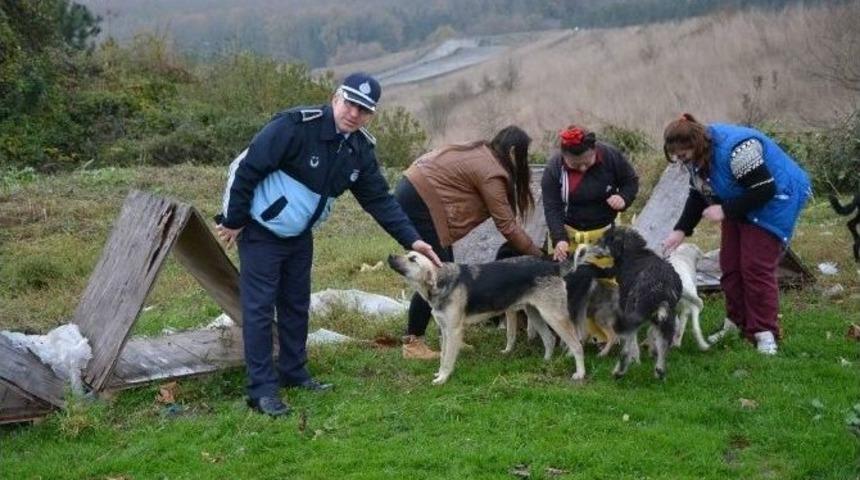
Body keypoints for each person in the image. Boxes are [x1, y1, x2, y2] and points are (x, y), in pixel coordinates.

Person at [216, 72, 441, 416]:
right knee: (259, 309)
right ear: (336, 98)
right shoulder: (295, 126)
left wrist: (413, 239)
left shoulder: (359, 149)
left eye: (363, 110)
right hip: (261, 230)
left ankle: (293, 373)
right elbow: (249, 168)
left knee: (296, 305)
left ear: (370, 115)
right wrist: (233, 219)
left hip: (299, 236)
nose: (354, 113)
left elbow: (379, 200)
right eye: (350, 103)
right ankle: (261, 390)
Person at [660, 113, 811, 355]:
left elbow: (764, 188)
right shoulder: (696, 159)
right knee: (730, 265)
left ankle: (764, 332)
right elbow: (697, 194)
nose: (680, 160)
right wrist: (680, 230)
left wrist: (725, 210)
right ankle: (735, 323)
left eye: (683, 155)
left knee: (755, 267)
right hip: (739, 200)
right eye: (675, 156)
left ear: (696, 144)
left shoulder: (739, 150)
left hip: (776, 200)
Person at [394, 125, 544, 359]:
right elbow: (507, 226)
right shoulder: (492, 171)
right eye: (524, 156)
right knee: (436, 273)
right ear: (514, 152)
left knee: (446, 269)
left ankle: (450, 336)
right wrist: (538, 255)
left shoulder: (483, 152)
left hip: (415, 192)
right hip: (420, 200)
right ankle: (413, 343)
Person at [541, 124, 639, 261]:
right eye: (575, 165)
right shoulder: (554, 169)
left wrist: (623, 197)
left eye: (587, 163)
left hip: (604, 235)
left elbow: (630, 181)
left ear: (594, 150)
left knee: (607, 273)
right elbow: (552, 208)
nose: (582, 168)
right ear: (564, 157)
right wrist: (559, 238)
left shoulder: (610, 156)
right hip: (568, 236)